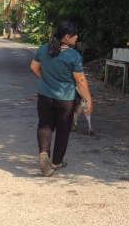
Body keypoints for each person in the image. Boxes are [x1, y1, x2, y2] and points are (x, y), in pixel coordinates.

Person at [30, 21, 93, 177]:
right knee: (63, 130)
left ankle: (44, 153)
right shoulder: (73, 55)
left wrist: (46, 78)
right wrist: (88, 100)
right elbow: (80, 80)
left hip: (44, 95)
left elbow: (34, 67)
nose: (77, 37)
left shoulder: (43, 49)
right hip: (65, 99)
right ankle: (56, 162)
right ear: (67, 36)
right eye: (75, 35)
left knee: (44, 126)